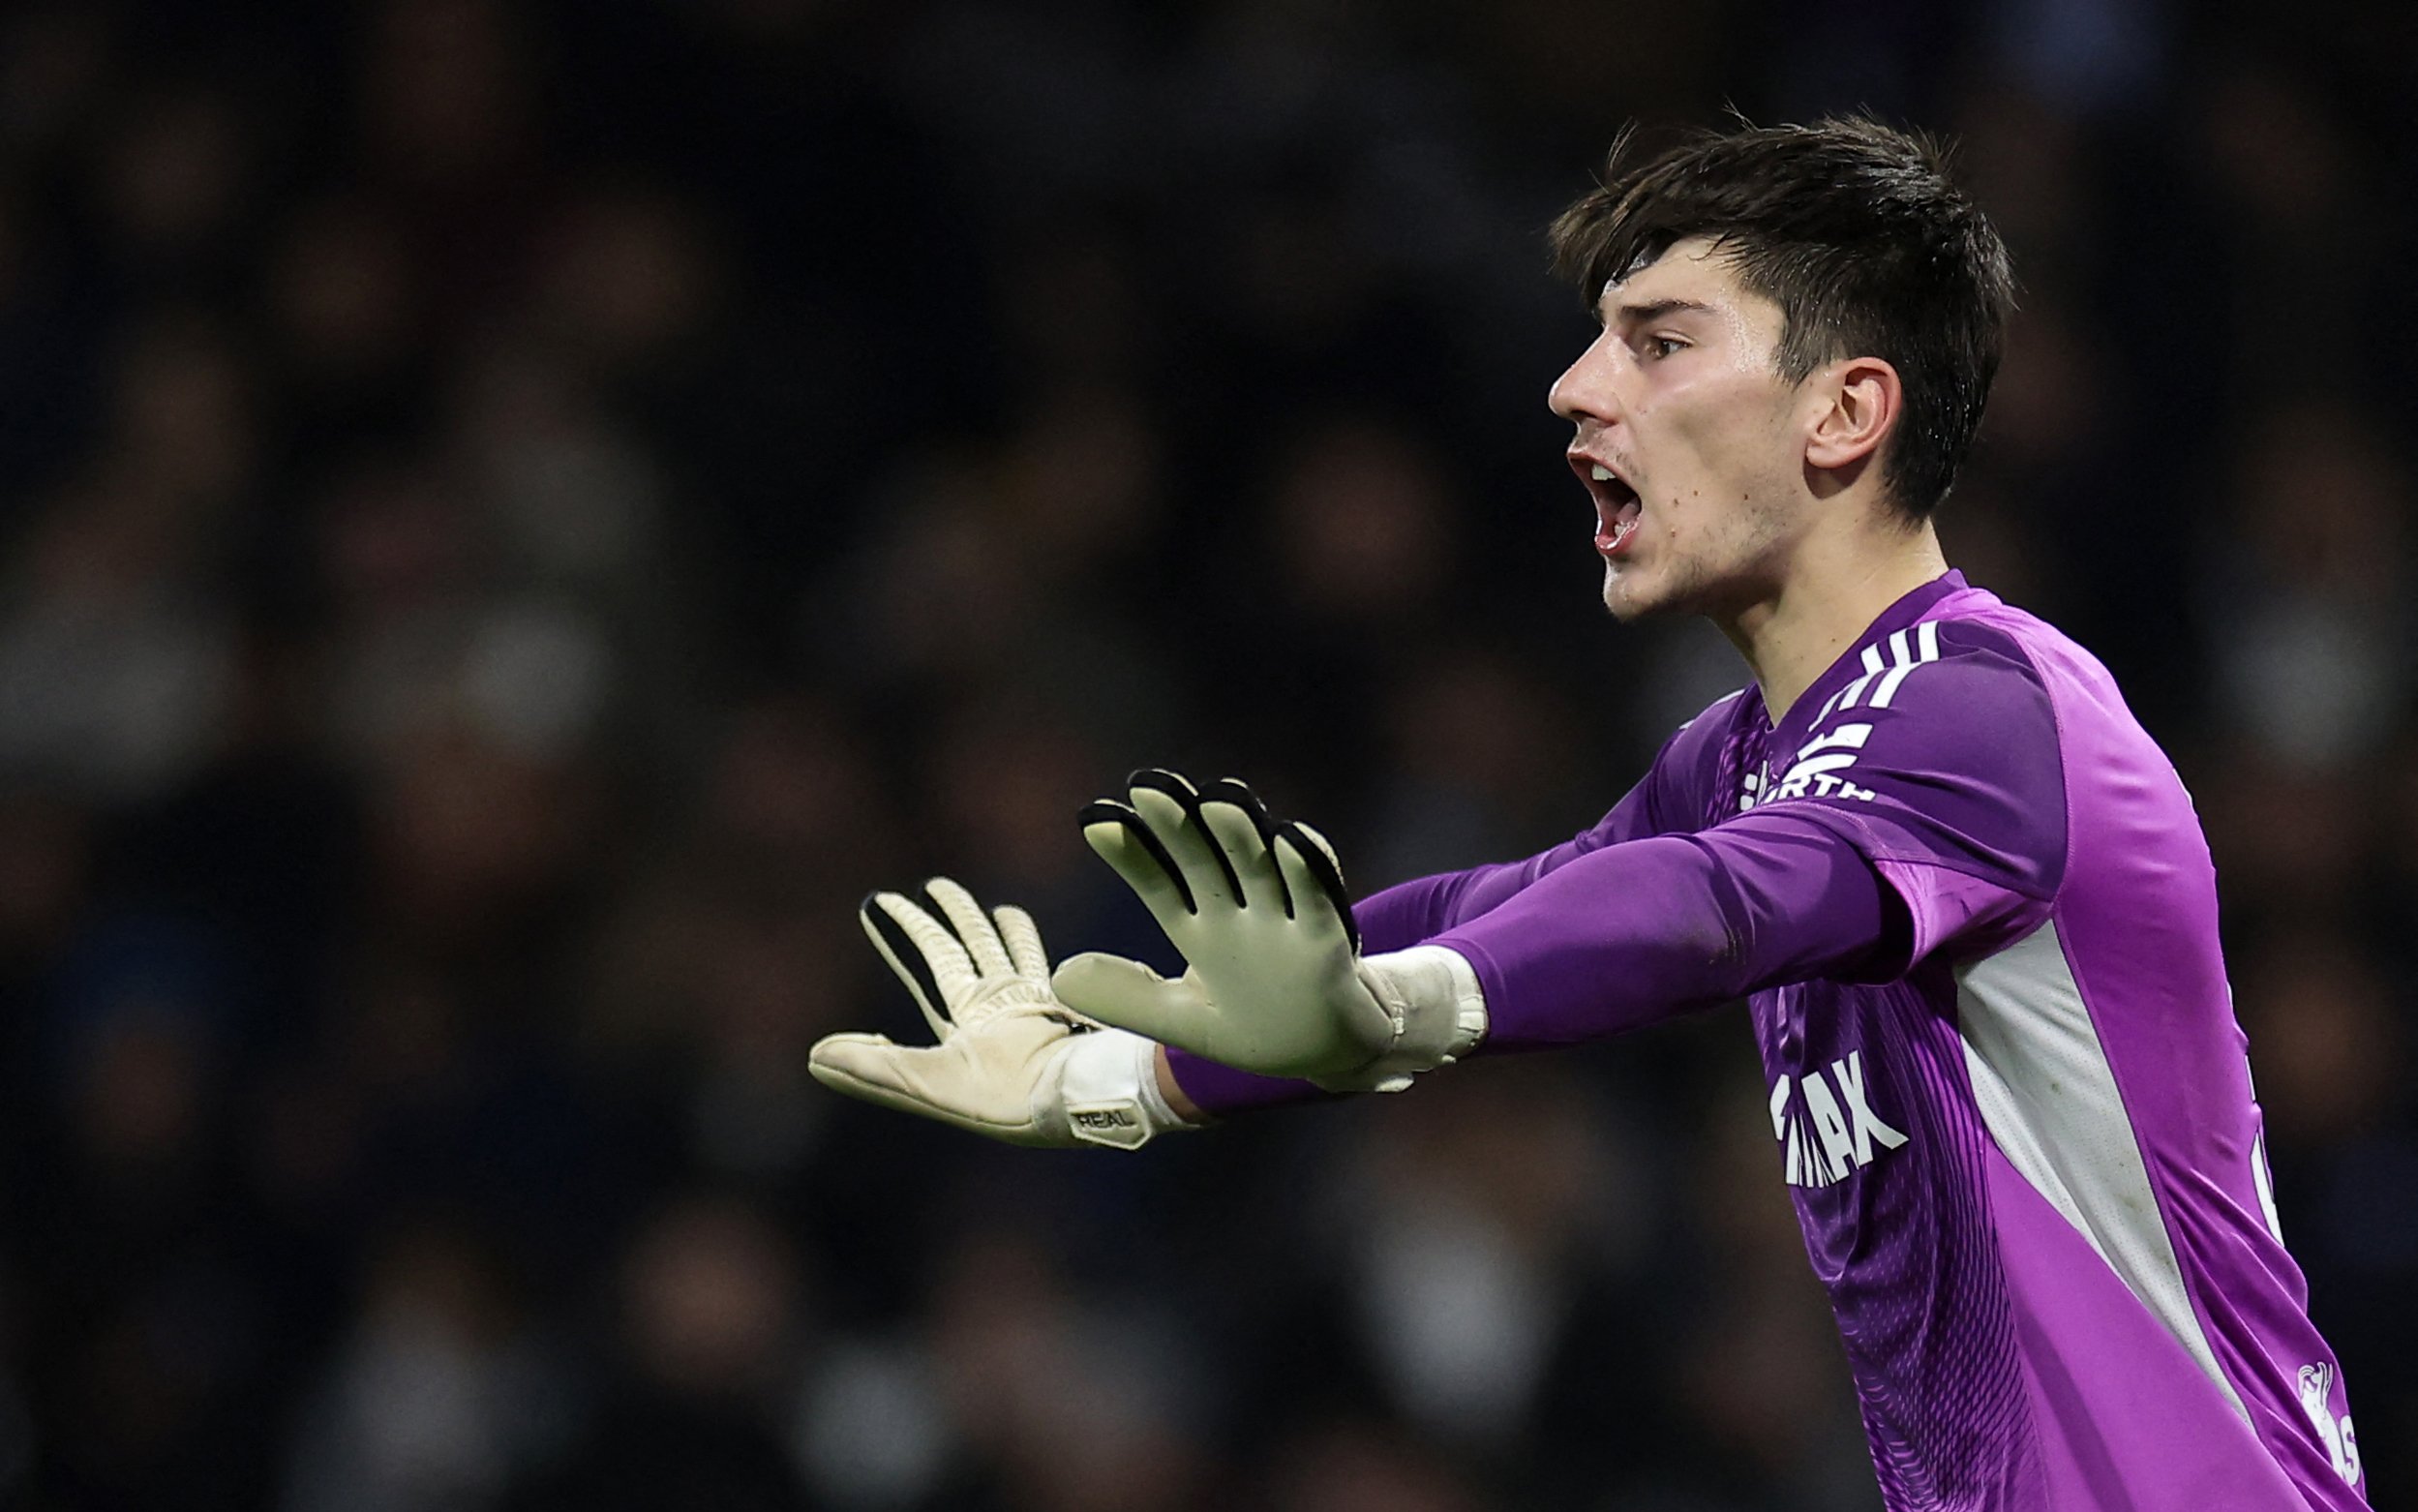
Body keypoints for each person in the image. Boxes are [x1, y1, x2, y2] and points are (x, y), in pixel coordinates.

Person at [807, 117, 2369, 1510]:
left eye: (1658, 340)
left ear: (1842, 413)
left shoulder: (1979, 708)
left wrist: (1385, 1009)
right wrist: (1115, 1074)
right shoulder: (1742, 755)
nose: (1575, 387)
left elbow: (1711, 909)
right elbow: (1515, 908)